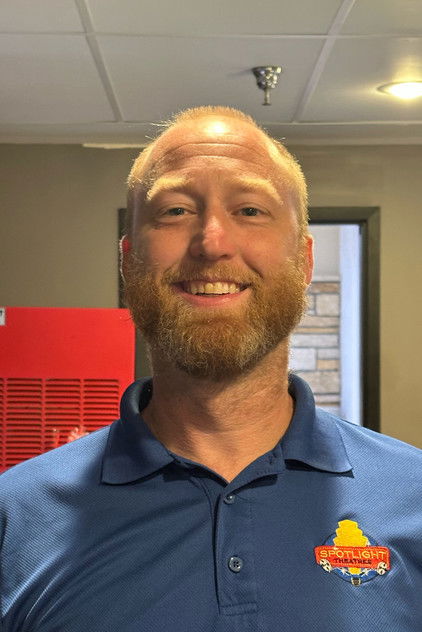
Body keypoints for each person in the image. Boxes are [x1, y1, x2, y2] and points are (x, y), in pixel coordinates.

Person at [1, 106, 421, 632]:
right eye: (175, 211)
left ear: (305, 261)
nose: (212, 243)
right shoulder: (17, 515)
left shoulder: (413, 495)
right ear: (128, 261)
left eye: (250, 210)